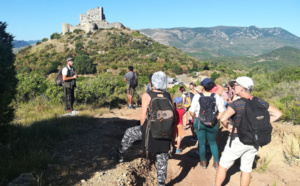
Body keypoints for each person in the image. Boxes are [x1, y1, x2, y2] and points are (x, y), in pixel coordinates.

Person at [215, 76, 282, 186]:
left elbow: (222, 118)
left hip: (238, 139)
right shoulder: (260, 102)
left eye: (235, 85)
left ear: (241, 88)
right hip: (254, 140)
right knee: (246, 169)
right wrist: (261, 124)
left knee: (223, 165)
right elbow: (278, 114)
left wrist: (228, 127)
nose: (233, 88)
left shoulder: (237, 104)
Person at [118, 71, 173, 186]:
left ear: (153, 81)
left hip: (150, 132)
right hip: (166, 132)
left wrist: (143, 134)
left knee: (129, 132)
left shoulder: (147, 95)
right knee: (162, 157)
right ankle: (161, 183)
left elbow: (143, 116)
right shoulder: (169, 96)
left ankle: (121, 153)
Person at [189, 78, 225, 169]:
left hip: (199, 122)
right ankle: (216, 163)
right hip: (212, 122)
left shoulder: (197, 96)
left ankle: (203, 162)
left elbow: (191, 111)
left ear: (203, 86)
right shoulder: (217, 97)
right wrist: (215, 119)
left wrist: (195, 118)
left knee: (201, 143)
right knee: (213, 143)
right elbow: (221, 111)